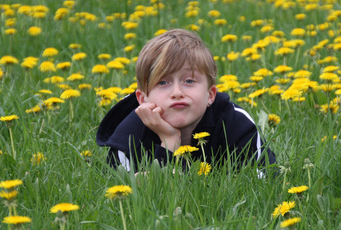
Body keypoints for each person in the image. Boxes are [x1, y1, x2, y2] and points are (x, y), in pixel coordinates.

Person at [96, 29, 276, 172]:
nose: (177, 92)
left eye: (189, 81)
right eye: (163, 82)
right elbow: (127, 200)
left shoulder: (236, 123)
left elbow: (265, 179)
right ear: (143, 99)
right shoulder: (127, 138)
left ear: (211, 95)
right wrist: (169, 141)